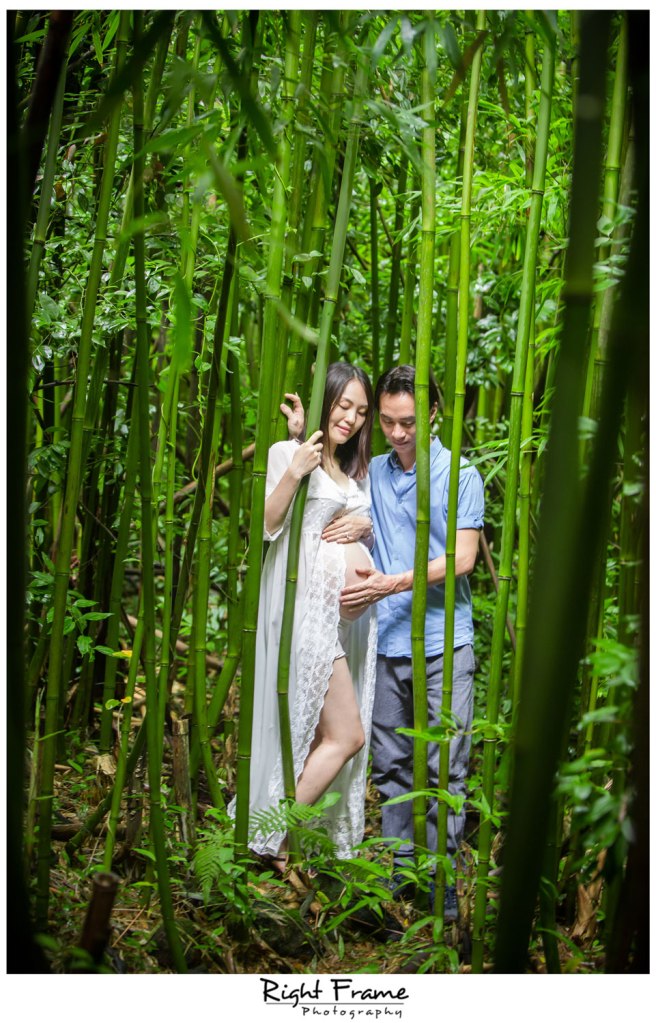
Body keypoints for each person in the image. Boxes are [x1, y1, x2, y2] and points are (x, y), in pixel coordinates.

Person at [337, 365, 484, 919]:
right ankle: (400, 872)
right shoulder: (371, 470)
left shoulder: (459, 474)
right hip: (384, 641)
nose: (398, 433)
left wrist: (392, 582)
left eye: (409, 423)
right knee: (392, 762)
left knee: (446, 762)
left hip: (446, 642)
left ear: (433, 416)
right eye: (389, 422)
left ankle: (442, 876)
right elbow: (330, 480)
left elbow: (464, 559)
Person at [240, 362, 378, 868]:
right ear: (327, 401)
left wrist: (362, 525)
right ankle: (268, 838)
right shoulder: (289, 454)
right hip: (306, 615)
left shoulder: (350, 471)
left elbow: (352, 524)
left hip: (341, 624)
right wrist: (297, 464)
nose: (352, 418)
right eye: (344, 405)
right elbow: (269, 525)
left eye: (361, 412)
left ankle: (282, 840)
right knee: (347, 735)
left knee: (328, 736)